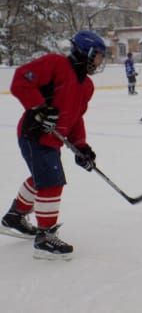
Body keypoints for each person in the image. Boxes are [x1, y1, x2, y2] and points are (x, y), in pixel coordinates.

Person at [0, 30, 106, 260]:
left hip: (52, 138)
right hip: (34, 133)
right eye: (97, 55)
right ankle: (45, 238)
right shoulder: (55, 64)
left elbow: (76, 117)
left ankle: (14, 217)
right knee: (51, 180)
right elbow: (21, 79)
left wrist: (81, 147)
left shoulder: (86, 85)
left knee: (42, 177)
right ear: (84, 51)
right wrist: (39, 108)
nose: (99, 61)